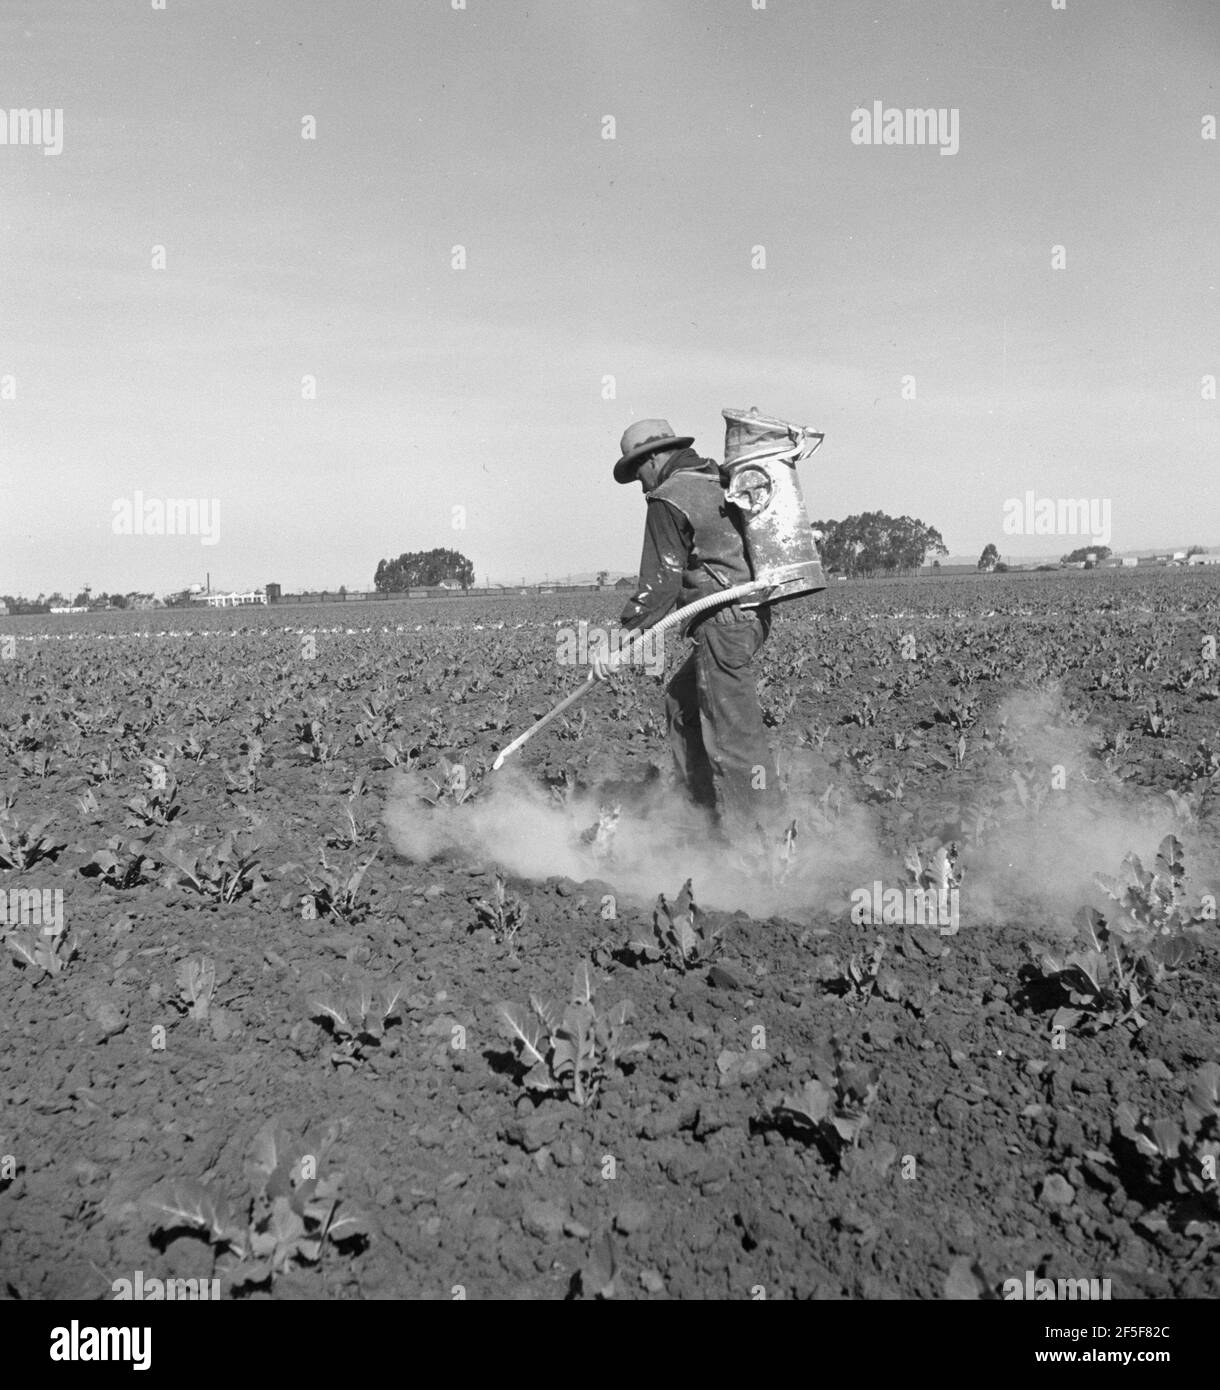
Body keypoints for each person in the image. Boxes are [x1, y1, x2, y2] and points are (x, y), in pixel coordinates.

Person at [594, 418, 778, 847]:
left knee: (734, 736)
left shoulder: (669, 497)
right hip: (751, 617)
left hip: (723, 624)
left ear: (653, 458)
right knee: (681, 701)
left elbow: (660, 583)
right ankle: (701, 815)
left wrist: (619, 643)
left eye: (637, 471)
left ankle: (759, 843)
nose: (639, 484)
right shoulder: (715, 476)